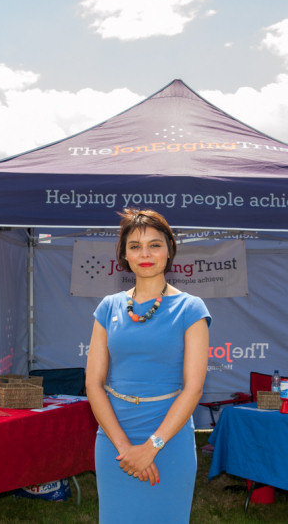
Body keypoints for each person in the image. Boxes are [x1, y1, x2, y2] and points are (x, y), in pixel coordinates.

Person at [85, 208, 211, 523]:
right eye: (135, 246)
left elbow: (194, 388)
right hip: (115, 439)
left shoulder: (190, 309)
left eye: (155, 245)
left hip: (170, 439)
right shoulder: (108, 307)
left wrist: (151, 447)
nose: (145, 254)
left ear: (169, 250)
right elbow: (93, 384)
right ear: (124, 255)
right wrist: (126, 448)